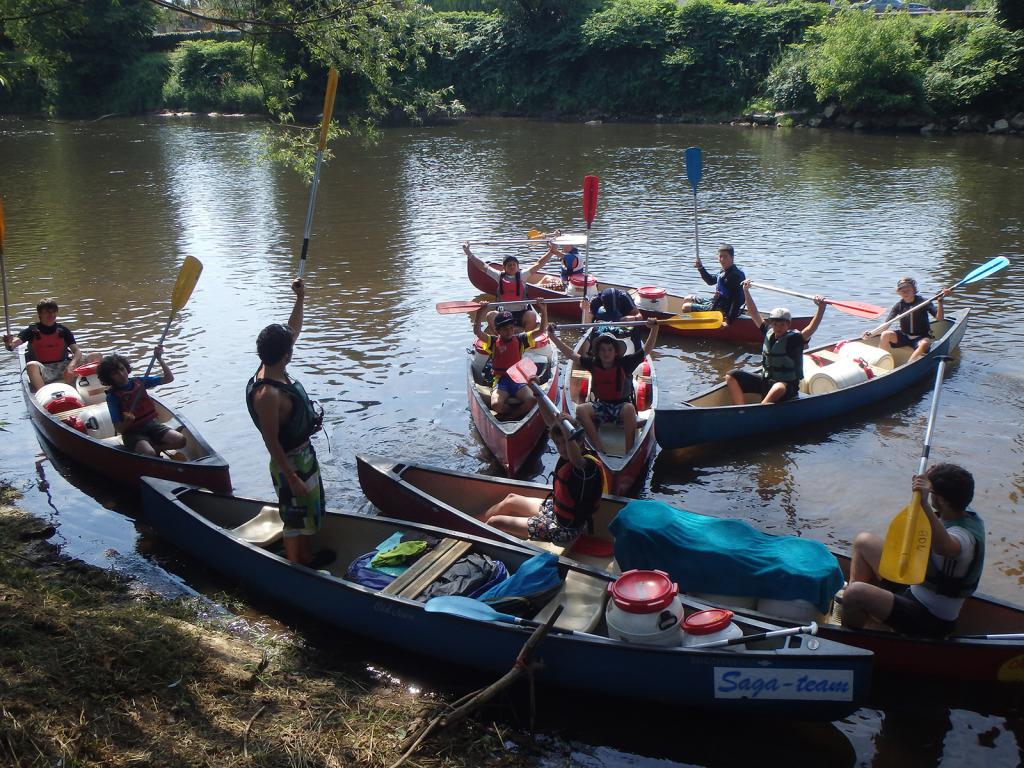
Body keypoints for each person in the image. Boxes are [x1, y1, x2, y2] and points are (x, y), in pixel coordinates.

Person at [245, 279, 332, 569]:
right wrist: (292, 477)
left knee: (308, 511)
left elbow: (291, 331)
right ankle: (298, 563)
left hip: (303, 455)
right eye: (289, 345)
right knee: (296, 517)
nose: (293, 343)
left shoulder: (271, 364)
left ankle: (305, 554)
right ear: (285, 354)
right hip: (290, 463)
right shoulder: (267, 393)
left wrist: (300, 298)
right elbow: (270, 440)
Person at [841, 464, 984, 637]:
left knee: (855, 593)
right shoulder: (960, 506)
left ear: (943, 500)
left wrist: (924, 504)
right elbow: (952, 486)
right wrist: (932, 475)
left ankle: (851, 638)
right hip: (914, 587)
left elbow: (944, 547)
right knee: (864, 542)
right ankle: (859, 615)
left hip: (929, 618)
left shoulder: (963, 538)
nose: (928, 495)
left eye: (931, 493)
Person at [480, 414, 606, 546]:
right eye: (558, 443)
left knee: (495, 522)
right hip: (556, 512)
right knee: (510, 499)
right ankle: (474, 521)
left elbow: (576, 460)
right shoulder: (571, 457)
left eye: (566, 442)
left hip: (565, 530)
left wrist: (565, 429)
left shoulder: (586, 466)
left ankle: (474, 536)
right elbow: (549, 421)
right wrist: (538, 396)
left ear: (579, 441)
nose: (561, 449)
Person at [548, 319, 659, 455]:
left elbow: (646, 350)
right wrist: (552, 337)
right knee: (581, 409)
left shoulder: (625, 363)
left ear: (616, 352)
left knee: (630, 408)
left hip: (622, 408)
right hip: (602, 407)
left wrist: (654, 329)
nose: (606, 353)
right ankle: (598, 448)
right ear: (598, 352)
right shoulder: (594, 363)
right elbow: (571, 354)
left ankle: (630, 452)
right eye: (603, 350)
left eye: (609, 350)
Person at [725, 280, 826, 405]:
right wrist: (746, 291)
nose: (778, 327)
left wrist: (821, 308)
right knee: (731, 375)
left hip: (787, 388)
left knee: (778, 387)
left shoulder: (794, 339)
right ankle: (740, 409)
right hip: (766, 382)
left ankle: (759, 411)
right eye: (775, 324)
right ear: (771, 323)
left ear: (788, 325)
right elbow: (753, 313)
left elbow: (811, 328)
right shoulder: (769, 331)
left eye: (782, 324)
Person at [98, 346, 187, 457]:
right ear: (109, 378)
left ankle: (157, 448)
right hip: (132, 433)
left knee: (181, 440)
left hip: (152, 425)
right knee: (149, 453)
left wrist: (159, 358)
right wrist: (127, 422)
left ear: (126, 368)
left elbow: (169, 378)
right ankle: (150, 451)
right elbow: (119, 429)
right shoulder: (112, 397)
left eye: (122, 369)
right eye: (115, 373)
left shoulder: (140, 381)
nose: (121, 374)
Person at [473, 298, 549, 420]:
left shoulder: (521, 339)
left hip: (518, 380)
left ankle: (510, 416)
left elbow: (541, 330)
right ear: (497, 331)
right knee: (496, 405)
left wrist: (543, 310)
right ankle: (513, 413)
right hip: (501, 380)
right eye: (505, 329)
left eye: (511, 328)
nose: (509, 331)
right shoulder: (492, 341)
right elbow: (477, 331)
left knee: (532, 400)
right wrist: (480, 312)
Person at [3, 298, 101, 391]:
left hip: (64, 366)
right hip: (44, 369)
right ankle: (43, 393)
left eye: (53, 312)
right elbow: (12, 346)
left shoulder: (63, 330)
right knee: (31, 365)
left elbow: (77, 352)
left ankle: (97, 387)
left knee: (96, 356)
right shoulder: (31, 331)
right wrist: (8, 343)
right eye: (47, 312)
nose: (51, 315)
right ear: (40, 314)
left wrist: (71, 366)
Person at [462, 242, 558, 332]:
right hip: (504, 314)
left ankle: (527, 337)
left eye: (514, 265)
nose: (512, 267)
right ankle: (499, 338)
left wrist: (551, 252)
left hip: (522, 313)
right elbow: (483, 266)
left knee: (532, 315)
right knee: (490, 315)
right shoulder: (499, 276)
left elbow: (538, 264)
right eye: (509, 265)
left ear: (517, 266)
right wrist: (469, 253)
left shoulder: (522, 275)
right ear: (504, 268)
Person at [871, 277, 949, 364]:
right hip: (904, 336)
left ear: (914, 290)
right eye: (902, 290)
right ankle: (879, 362)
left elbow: (940, 318)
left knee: (925, 343)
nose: (905, 292)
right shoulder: (898, 305)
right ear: (899, 292)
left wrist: (940, 302)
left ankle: (908, 365)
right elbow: (886, 325)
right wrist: (871, 333)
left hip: (921, 337)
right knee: (885, 334)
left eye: (908, 289)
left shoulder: (924, 302)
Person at [681, 244, 746, 328]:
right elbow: (711, 281)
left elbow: (736, 301)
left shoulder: (734, 276)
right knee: (687, 298)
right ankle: (696, 320)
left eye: (725, 257)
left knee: (685, 307)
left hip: (723, 308)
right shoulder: (724, 271)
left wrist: (728, 322)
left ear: (732, 257)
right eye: (720, 256)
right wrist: (700, 268)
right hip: (716, 301)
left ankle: (696, 326)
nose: (722, 260)